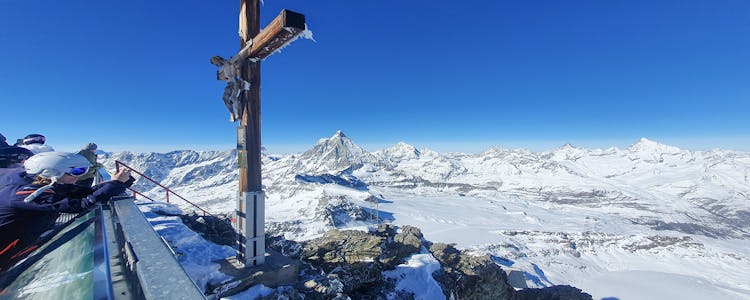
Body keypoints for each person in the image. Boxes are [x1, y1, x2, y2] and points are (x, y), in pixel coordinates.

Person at [0, 152, 133, 271]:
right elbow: (79, 205)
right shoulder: (26, 193)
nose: (80, 176)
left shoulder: (48, 185)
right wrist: (115, 185)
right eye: (76, 171)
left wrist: (119, 182)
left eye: (83, 170)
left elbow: (87, 192)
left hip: (19, 242)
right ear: (50, 172)